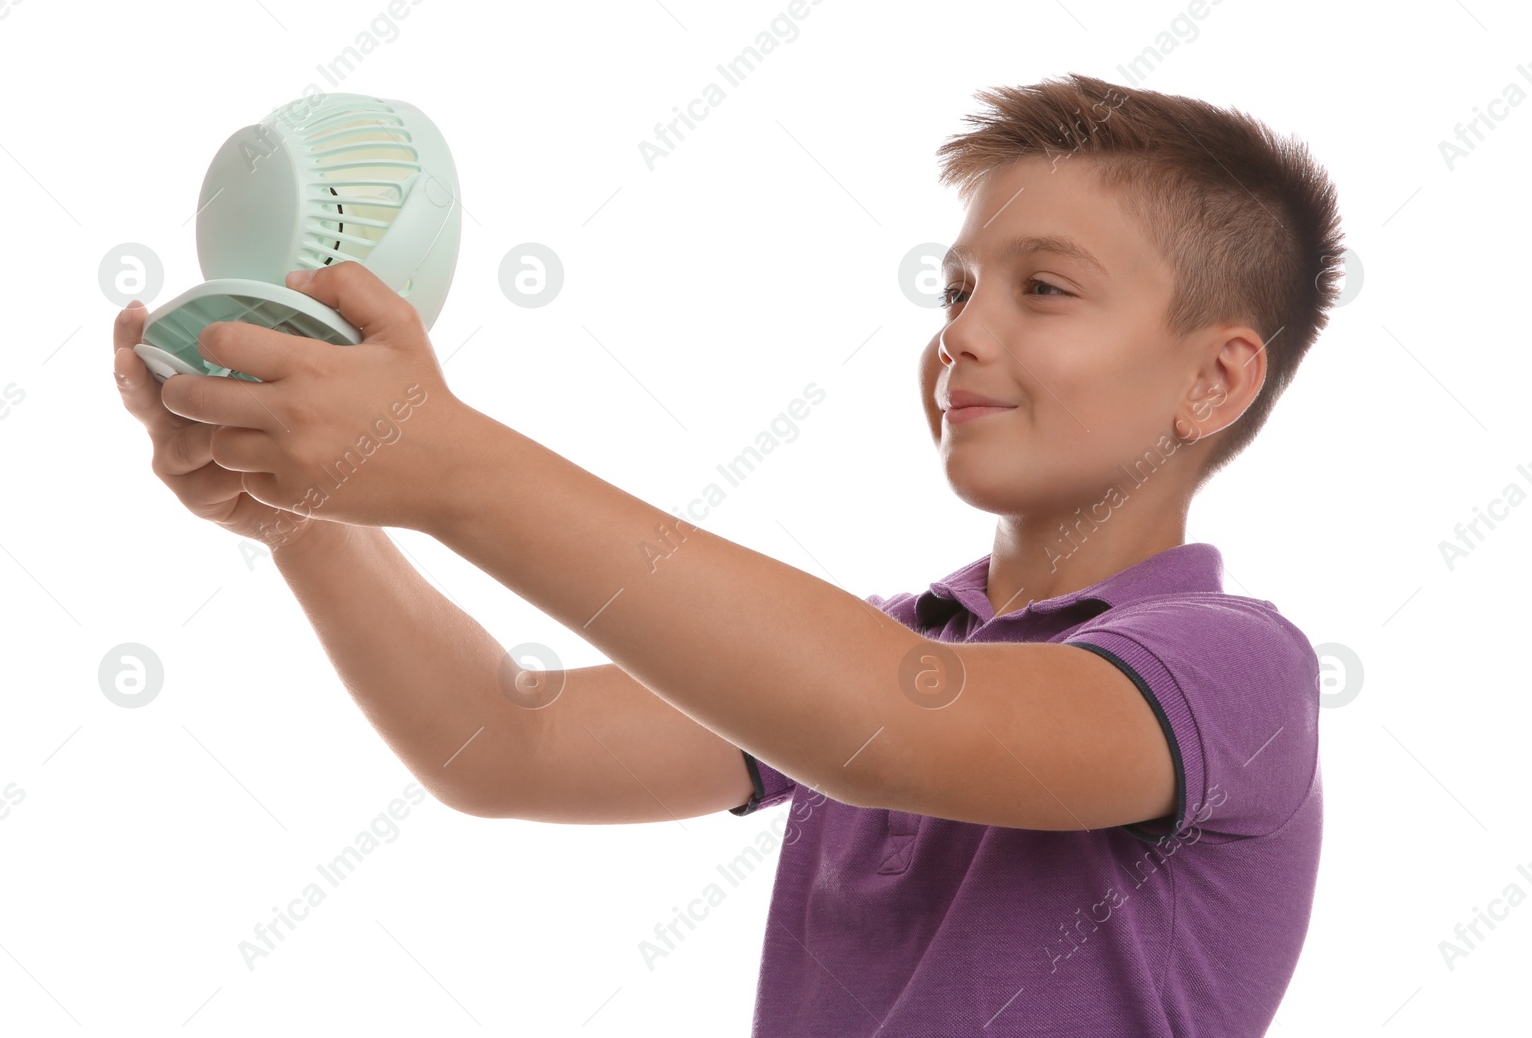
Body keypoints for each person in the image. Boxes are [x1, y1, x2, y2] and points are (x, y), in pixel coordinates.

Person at [111, 71, 1342, 1036]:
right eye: (956, 288)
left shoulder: (1233, 673)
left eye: (1045, 289)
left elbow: (884, 725)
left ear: (1214, 377)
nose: (964, 329)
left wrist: (440, 459)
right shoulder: (895, 648)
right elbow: (503, 736)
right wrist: (306, 520)